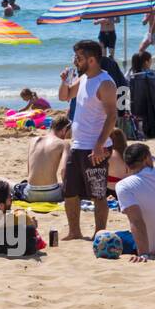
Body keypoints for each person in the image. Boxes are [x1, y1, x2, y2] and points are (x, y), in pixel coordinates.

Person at [58, 40, 117, 241]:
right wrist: (64, 81)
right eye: (76, 57)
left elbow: (112, 116)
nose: (75, 61)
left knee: (98, 194)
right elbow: (64, 96)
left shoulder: (105, 83)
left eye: (79, 58)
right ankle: (75, 232)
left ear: (91, 60)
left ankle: (98, 233)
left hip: (96, 148)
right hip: (77, 145)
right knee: (69, 192)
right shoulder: (83, 79)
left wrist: (100, 144)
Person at [117, 143, 155, 261]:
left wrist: (144, 254)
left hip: (152, 248)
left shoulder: (124, 186)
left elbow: (136, 221)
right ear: (147, 159)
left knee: (101, 234)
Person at [24, 115, 71, 203]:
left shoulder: (33, 140)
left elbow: (29, 170)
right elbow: (64, 170)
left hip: (31, 193)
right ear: (64, 129)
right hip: (52, 193)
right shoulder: (64, 144)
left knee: (7, 182)